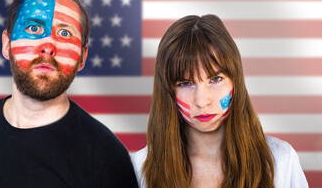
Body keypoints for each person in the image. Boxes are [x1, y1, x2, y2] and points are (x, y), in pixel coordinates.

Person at [0, 0, 138, 188]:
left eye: (65, 33)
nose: (48, 45)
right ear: (6, 44)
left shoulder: (107, 159)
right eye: (34, 28)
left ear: (82, 57)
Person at [130, 14, 308, 188]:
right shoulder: (138, 170)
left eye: (215, 79)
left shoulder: (280, 160)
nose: (202, 101)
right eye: (185, 83)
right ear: (167, 90)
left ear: (235, 80)